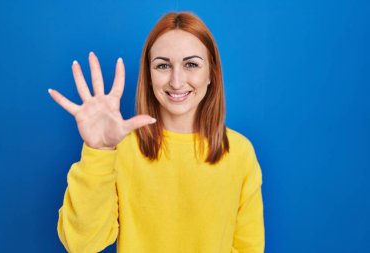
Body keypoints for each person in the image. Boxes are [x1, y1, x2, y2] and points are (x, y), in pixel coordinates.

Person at [49, 11, 264, 253]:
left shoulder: (240, 153)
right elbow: (81, 244)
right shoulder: (121, 148)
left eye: (191, 64)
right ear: (149, 76)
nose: (176, 81)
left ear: (211, 74)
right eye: (163, 65)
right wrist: (99, 150)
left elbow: (249, 248)